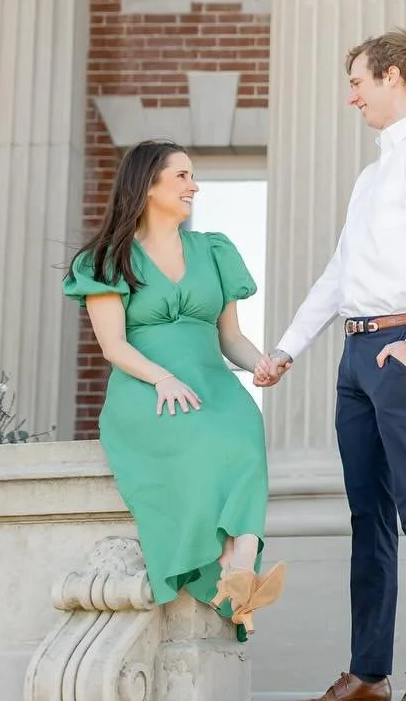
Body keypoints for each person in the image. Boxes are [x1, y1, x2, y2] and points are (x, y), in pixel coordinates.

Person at [255, 28, 406, 701]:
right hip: (356, 355)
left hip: (401, 349)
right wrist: (287, 348)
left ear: (392, 77)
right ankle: (368, 676)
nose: (351, 96)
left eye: (358, 82)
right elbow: (339, 273)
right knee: (368, 518)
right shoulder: (372, 175)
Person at [65, 141, 284, 637]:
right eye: (182, 176)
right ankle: (231, 570)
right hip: (147, 387)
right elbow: (113, 346)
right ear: (148, 184)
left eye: (193, 176)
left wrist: (260, 364)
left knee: (245, 431)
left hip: (212, 382)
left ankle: (240, 567)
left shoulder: (214, 250)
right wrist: (162, 378)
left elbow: (231, 338)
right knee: (205, 438)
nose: (194, 186)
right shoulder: (107, 259)